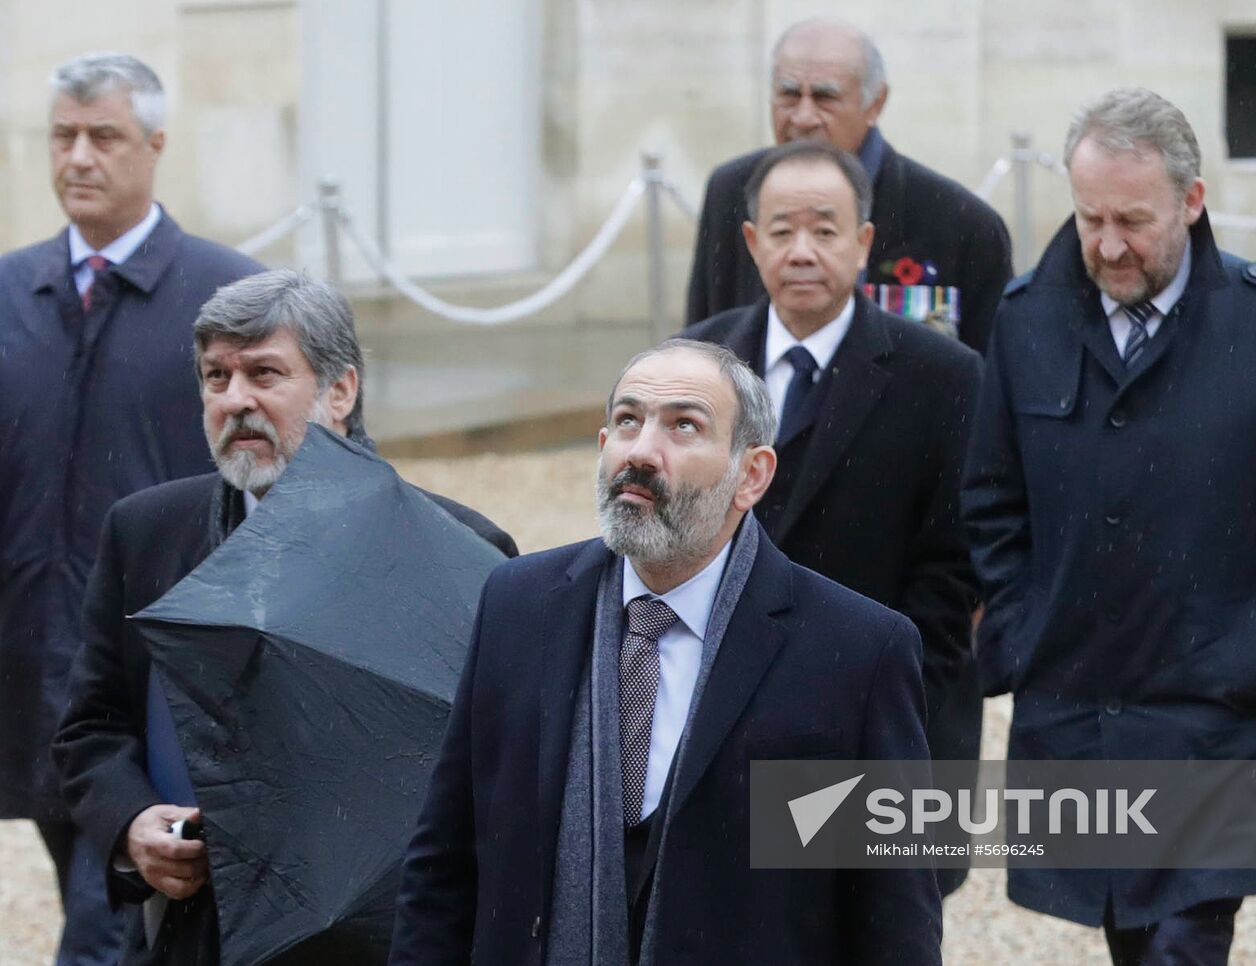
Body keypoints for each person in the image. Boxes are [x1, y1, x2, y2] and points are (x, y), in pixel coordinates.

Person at [961, 87, 1256, 965]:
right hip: (1081, 708)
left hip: (1223, 718)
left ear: (1191, 201)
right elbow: (991, 499)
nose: (1108, 245)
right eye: (1089, 218)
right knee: (1134, 934)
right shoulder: (1025, 319)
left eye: (1133, 221)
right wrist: (1029, 628)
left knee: (1188, 937)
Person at [390, 339, 939, 965]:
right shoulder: (519, 606)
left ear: (751, 475)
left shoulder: (856, 652)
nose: (642, 451)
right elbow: (445, 863)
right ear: (603, 449)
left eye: (684, 426)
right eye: (628, 421)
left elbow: (893, 921)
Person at [53, 270, 517, 965]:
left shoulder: (460, 552)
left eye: (265, 374)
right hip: (195, 932)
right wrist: (132, 824)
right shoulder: (145, 533)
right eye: (216, 377)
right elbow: (92, 726)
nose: (235, 401)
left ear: (340, 391)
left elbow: (498, 773)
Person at [0, 52, 262, 963]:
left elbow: (319, 488)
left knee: (106, 919)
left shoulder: (233, 300)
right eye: (62, 136)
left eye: (103, 136)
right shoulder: (8, 292)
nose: (78, 157)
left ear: (155, 145)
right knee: (84, 860)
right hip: (29, 663)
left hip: (163, 675)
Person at [685, 139, 983, 895]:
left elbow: (954, 567)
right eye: (782, 231)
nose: (803, 251)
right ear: (751, 243)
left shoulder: (943, 376)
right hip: (719, 720)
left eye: (825, 229)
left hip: (881, 723)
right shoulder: (698, 362)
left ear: (864, 242)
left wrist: (878, 697)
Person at [685, 17, 1012, 355]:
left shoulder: (960, 223)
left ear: (875, 103)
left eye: (825, 97)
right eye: (789, 94)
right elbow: (702, 345)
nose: (803, 117)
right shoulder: (731, 191)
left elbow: (989, 382)